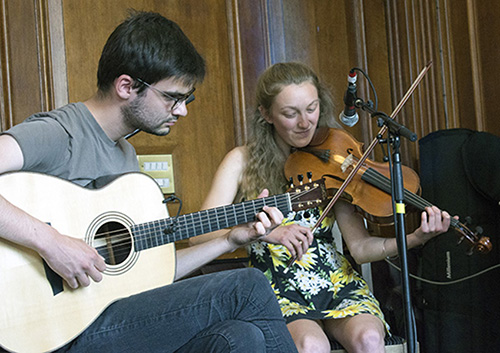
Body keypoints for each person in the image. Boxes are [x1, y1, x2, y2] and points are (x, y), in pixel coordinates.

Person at [0, 11, 299, 353]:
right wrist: (52, 243)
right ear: (127, 86)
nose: (182, 111)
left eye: (187, 99)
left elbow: (152, 273)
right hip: (50, 332)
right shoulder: (59, 133)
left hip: (103, 320)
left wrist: (231, 239)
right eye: (172, 97)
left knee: (240, 338)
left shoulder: (125, 160)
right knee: (247, 286)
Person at [191, 62, 453, 353]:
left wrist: (416, 238)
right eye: (290, 114)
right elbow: (199, 236)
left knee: (368, 339)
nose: (305, 123)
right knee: (311, 345)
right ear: (266, 115)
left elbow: (361, 249)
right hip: (275, 286)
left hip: (336, 281)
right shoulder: (241, 161)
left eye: (312, 108)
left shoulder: (332, 163)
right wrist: (263, 233)